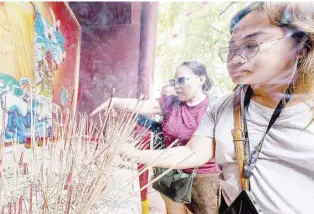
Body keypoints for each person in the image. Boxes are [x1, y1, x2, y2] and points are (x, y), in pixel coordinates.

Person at [121, 2, 314, 214]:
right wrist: (132, 153)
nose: (235, 58)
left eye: (251, 45)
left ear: (301, 47)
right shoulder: (224, 106)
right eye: (231, 49)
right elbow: (192, 152)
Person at [90, 61, 220, 214]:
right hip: (171, 172)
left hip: (203, 178)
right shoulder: (171, 102)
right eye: (174, 81)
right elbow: (142, 105)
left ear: (201, 80)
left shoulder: (214, 107)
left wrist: (134, 154)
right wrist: (116, 102)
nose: (176, 86)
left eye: (181, 80)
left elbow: (195, 151)